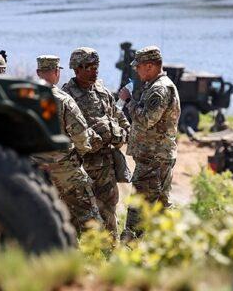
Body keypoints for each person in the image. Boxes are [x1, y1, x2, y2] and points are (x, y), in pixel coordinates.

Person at [62, 47, 130, 237]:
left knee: (109, 211)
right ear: (76, 69)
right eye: (89, 67)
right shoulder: (66, 96)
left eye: (96, 66)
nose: (94, 71)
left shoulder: (102, 91)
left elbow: (118, 116)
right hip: (80, 167)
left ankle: (111, 257)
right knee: (76, 214)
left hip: (105, 168)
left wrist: (122, 133)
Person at [32, 55, 104, 233]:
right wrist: (80, 152)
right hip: (65, 169)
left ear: (37, 72)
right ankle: (101, 255)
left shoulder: (25, 97)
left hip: (35, 168)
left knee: (39, 214)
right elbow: (80, 135)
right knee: (88, 215)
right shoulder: (63, 100)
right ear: (57, 72)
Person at [118, 46, 181, 240]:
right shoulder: (155, 85)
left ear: (150, 66)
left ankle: (130, 247)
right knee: (161, 206)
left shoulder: (159, 89)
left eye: (139, 67)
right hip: (158, 157)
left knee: (139, 207)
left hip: (153, 160)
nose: (136, 70)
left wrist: (128, 101)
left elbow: (146, 119)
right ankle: (168, 245)